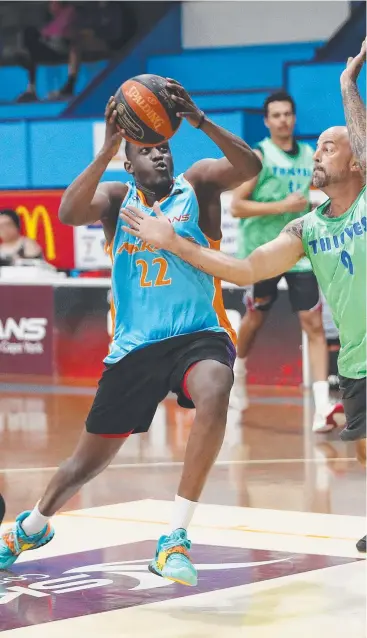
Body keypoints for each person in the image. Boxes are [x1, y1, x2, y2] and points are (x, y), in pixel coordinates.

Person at [0, 80, 262, 583]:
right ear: (130, 161)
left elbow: (250, 167)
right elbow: (68, 212)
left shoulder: (199, 183)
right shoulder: (118, 198)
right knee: (82, 464)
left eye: (163, 147)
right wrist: (104, 150)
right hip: (135, 346)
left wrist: (202, 121)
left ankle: (175, 538)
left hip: (198, 333)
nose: (160, 157)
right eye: (146, 151)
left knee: (215, 386)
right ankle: (32, 526)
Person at [119, 42, 366, 552]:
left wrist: (347, 87)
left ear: (357, 161)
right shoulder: (306, 228)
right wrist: (174, 242)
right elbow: (246, 267)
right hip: (359, 361)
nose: (316, 152)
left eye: (329, 146)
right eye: (316, 144)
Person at [229, 91, 342, 433]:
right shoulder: (260, 156)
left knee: (313, 322)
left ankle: (322, 405)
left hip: (300, 250)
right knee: (256, 316)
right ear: (267, 121)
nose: (282, 120)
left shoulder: (310, 155)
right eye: (276, 115)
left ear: (294, 118)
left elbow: (317, 195)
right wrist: (282, 206)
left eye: (287, 114)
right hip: (263, 252)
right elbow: (236, 206)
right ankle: (238, 372)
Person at [16, 1, 80, 102]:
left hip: (60, 48)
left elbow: (62, 32)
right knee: (29, 37)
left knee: (31, 38)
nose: (50, 6)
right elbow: (45, 31)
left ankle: (68, 87)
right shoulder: (52, 18)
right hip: (49, 45)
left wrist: (47, 36)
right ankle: (31, 88)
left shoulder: (68, 12)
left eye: (52, 3)